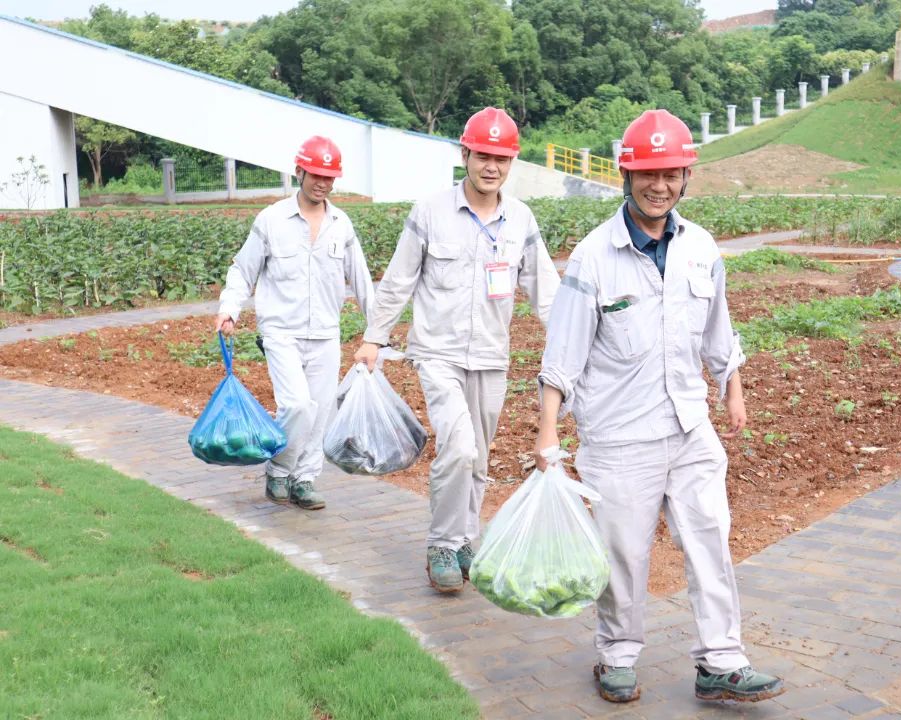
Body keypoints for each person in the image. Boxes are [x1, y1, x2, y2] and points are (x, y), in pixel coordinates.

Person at [534, 110, 785, 704]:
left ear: (685, 177)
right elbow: (562, 355)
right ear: (627, 176)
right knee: (623, 554)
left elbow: (717, 329)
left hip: (689, 426)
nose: (660, 185)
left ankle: (721, 661)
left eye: (671, 174)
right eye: (648, 173)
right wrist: (548, 436)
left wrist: (732, 386)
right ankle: (617, 655)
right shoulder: (594, 258)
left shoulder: (700, 247)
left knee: (710, 541)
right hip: (619, 436)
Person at [354, 107, 560, 594]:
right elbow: (399, 279)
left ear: (511, 162)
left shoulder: (520, 219)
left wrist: (574, 345)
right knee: (459, 447)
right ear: (464, 154)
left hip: (491, 356)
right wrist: (373, 338)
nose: (491, 166)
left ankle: (467, 537)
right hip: (438, 353)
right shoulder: (430, 212)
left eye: (501, 159)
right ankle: (442, 544)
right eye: (483, 156)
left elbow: (546, 291)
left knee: (479, 458)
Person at [215, 135, 373, 511]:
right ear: (299, 172)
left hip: (325, 333)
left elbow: (362, 280)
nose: (322, 183)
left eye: (329, 177)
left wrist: (377, 333)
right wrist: (229, 308)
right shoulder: (271, 220)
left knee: (320, 412)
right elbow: (243, 269)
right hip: (281, 331)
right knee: (298, 405)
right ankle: (279, 469)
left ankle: (304, 479)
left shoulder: (341, 224)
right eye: (316, 175)